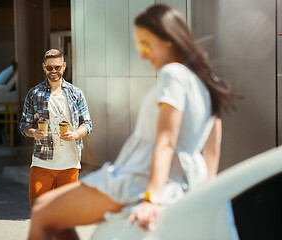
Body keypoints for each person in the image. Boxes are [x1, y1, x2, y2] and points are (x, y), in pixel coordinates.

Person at [27, 4, 235, 239]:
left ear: (168, 39)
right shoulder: (207, 82)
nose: (142, 54)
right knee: (49, 212)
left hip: (137, 179)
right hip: (179, 181)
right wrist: (207, 199)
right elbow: (211, 150)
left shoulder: (173, 74)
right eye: (139, 46)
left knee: (43, 213)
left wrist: (152, 197)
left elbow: (166, 141)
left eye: (146, 44)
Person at [19, 49, 92, 208]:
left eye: (57, 67)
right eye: (50, 67)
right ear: (44, 67)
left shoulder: (75, 93)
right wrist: (34, 133)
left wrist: (75, 134)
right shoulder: (34, 94)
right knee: (38, 208)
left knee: (65, 211)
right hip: (42, 162)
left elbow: (87, 123)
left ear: (64, 66)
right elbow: (24, 124)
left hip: (70, 163)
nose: (54, 71)